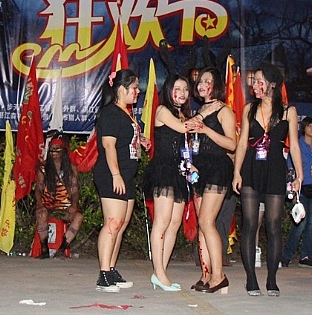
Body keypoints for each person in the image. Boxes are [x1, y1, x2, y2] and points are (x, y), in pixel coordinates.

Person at [233, 64, 303, 296]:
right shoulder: (249, 109)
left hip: (275, 169)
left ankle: (272, 279)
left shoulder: (288, 111)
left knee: (273, 225)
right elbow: (242, 143)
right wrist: (237, 172)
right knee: (250, 224)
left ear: (272, 84)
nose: (254, 85)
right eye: (253, 81)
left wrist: (300, 175)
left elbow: (294, 146)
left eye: (259, 81)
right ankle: (251, 279)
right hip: (251, 168)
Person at [94, 68, 149, 292]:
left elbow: (123, 139)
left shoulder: (126, 114)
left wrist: (140, 139)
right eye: (134, 88)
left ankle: (111, 268)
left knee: (121, 224)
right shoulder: (110, 113)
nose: (137, 91)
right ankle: (103, 275)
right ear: (121, 89)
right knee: (113, 223)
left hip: (126, 175)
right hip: (112, 174)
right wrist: (116, 175)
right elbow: (108, 145)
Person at [143, 74, 196, 290]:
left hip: (179, 171)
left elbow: (184, 146)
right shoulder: (162, 110)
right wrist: (205, 116)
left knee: (175, 223)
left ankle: (160, 272)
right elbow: (183, 129)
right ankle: (159, 273)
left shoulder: (183, 115)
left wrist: (191, 165)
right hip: (164, 170)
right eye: (178, 88)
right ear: (169, 90)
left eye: (186, 89)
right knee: (162, 222)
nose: (182, 93)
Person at [190, 67, 236, 294]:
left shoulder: (224, 110)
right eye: (200, 81)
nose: (201, 84)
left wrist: (206, 130)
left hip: (218, 168)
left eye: (207, 81)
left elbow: (232, 144)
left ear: (216, 84)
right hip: (200, 169)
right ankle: (206, 274)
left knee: (207, 222)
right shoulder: (199, 111)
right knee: (202, 224)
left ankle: (219, 276)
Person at [281, 116, 312, 268]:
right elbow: (290, 170)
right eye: (310, 126)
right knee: (300, 223)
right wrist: (291, 191)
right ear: (304, 128)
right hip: (300, 190)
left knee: (311, 224)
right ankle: (287, 255)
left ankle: (306, 255)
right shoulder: (297, 146)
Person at [35, 135, 83, 259]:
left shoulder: (71, 169)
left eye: (57, 148)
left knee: (78, 217)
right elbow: (38, 188)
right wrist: (40, 204)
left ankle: (62, 248)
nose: (53, 151)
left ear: (63, 151)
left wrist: (74, 205)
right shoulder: (43, 167)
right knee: (41, 214)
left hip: (64, 207)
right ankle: (44, 249)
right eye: (51, 148)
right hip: (48, 205)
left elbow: (75, 191)